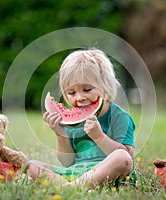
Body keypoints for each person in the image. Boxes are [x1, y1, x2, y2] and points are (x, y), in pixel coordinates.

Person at [26, 48, 136, 189]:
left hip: (110, 175)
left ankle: (69, 188)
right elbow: (67, 162)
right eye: (71, 92)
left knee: (122, 157)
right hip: (76, 173)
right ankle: (75, 187)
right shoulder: (72, 123)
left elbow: (128, 156)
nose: (79, 97)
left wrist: (99, 137)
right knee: (31, 165)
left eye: (87, 90)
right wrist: (60, 133)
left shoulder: (119, 117)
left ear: (106, 86)